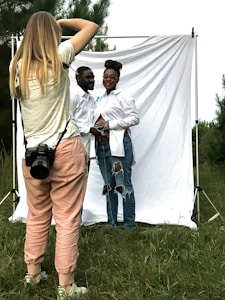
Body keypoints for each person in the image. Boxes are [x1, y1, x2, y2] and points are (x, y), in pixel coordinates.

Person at [9, 11, 98, 299]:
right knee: (68, 218)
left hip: (33, 156)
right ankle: (66, 285)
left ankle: (33, 274)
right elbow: (91, 26)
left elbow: (27, 49)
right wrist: (60, 24)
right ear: (51, 35)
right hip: (65, 149)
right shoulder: (59, 57)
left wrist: (38, 30)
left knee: (36, 215)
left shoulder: (18, 66)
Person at [91, 59, 140, 229]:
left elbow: (135, 118)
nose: (108, 80)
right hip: (102, 146)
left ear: (118, 79)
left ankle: (129, 224)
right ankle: (111, 223)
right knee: (109, 185)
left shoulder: (123, 96)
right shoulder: (99, 99)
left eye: (112, 77)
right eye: (105, 77)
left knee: (123, 184)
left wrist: (110, 124)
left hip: (118, 146)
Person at [70, 66, 96, 166]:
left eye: (93, 77)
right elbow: (67, 121)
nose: (92, 80)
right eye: (88, 77)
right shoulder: (73, 96)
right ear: (78, 78)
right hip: (74, 147)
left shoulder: (91, 98)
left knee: (84, 178)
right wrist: (88, 129)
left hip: (87, 147)